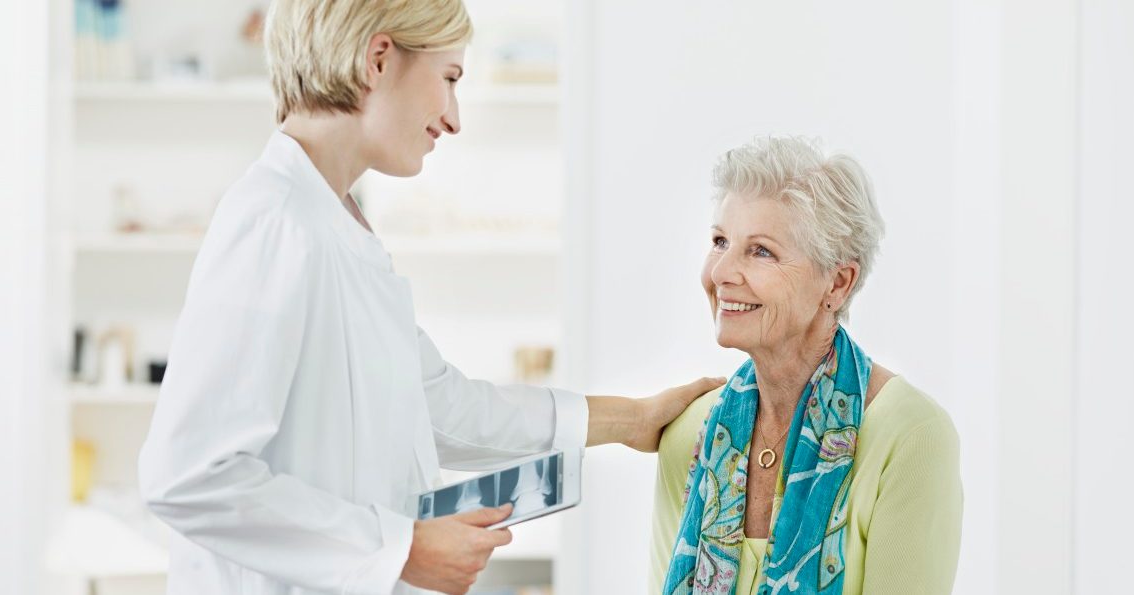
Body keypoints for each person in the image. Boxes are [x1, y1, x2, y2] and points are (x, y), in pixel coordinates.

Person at [136, 1, 724, 594]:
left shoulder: (335, 225)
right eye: (449, 79)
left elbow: (440, 405)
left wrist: (634, 418)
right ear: (378, 60)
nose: (454, 118)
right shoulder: (275, 222)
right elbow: (189, 476)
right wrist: (400, 548)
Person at [650, 137, 963, 594]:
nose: (720, 273)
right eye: (720, 241)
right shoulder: (689, 432)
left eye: (760, 251)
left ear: (837, 282)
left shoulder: (912, 436)